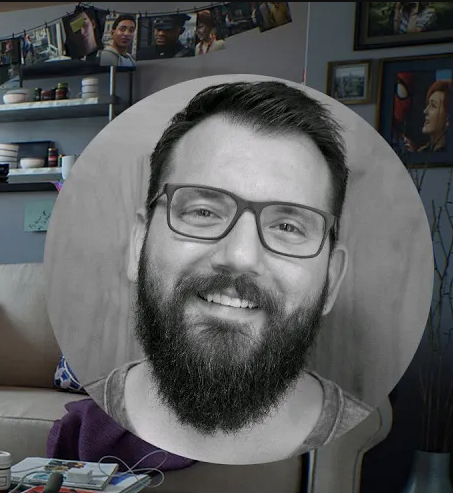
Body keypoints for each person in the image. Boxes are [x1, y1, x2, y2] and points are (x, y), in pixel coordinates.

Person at [90, 81, 371, 464]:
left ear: (332, 281)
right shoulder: (85, 419)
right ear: (139, 243)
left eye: (288, 227)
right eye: (203, 212)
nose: (239, 257)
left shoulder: (361, 445)